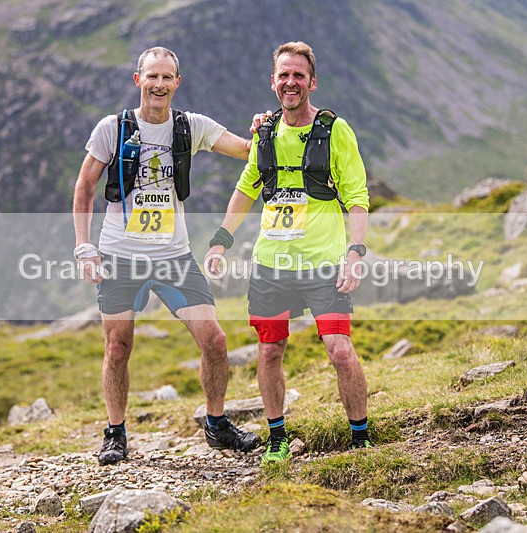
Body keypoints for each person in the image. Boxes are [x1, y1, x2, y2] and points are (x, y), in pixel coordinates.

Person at [73, 46, 261, 465]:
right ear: (137, 80)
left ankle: (216, 424)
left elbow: (245, 150)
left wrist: (263, 129)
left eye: (167, 77)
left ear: (178, 82)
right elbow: (85, 187)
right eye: (151, 76)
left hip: (174, 256)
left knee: (215, 341)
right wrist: (85, 248)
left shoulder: (190, 127)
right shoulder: (112, 128)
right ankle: (115, 433)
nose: (159, 84)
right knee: (118, 347)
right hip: (120, 256)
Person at [206, 41, 372, 464]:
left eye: (299, 75)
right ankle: (277, 437)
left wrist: (355, 252)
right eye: (284, 75)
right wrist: (221, 239)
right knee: (270, 350)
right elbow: (246, 188)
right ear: (273, 82)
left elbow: (356, 195)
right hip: (271, 266)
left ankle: (361, 437)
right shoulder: (264, 133)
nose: (291, 82)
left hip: (323, 263)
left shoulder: (335, 130)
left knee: (339, 348)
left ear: (312, 82)